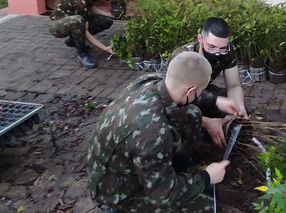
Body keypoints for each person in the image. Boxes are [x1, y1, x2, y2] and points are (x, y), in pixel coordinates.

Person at [87, 52, 231, 213]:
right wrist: (206, 177)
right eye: (199, 91)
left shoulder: (151, 80)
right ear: (190, 91)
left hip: (124, 160)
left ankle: (177, 172)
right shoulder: (153, 131)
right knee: (210, 209)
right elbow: (162, 194)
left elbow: (189, 90)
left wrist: (215, 101)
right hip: (118, 191)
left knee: (192, 113)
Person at [169, 17, 248, 148]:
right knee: (190, 133)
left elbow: (234, 86)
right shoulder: (183, 58)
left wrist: (239, 110)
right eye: (211, 47)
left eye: (222, 48)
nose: (217, 53)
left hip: (201, 92)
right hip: (181, 98)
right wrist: (206, 122)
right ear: (200, 39)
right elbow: (172, 104)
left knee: (235, 109)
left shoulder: (227, 51)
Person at [49, 0, 116, 68]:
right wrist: (104, 48)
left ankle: (73, 40)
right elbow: (85, 31)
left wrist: (109, 15)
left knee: (106, 21)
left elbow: (90, 8)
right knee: (79, 21)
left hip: (73, 19)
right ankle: (82, 53)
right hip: (57, 25)